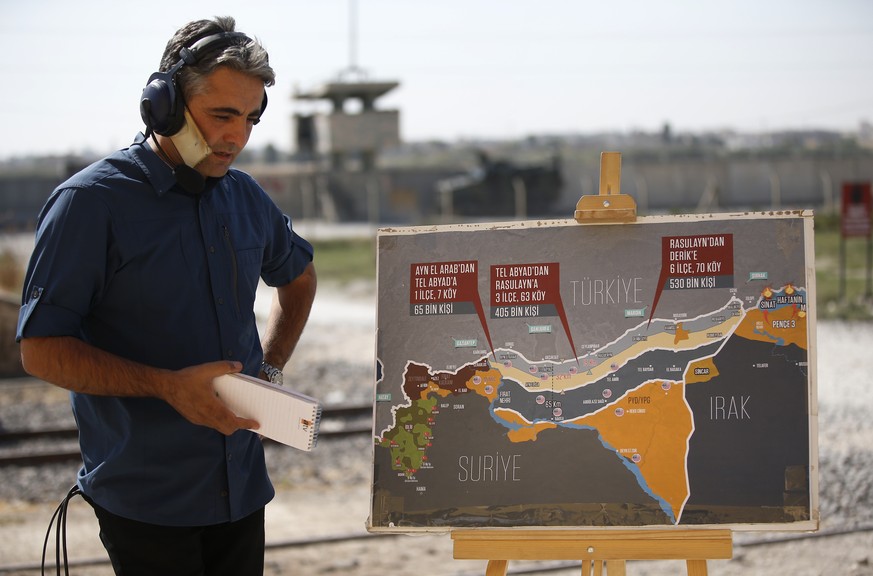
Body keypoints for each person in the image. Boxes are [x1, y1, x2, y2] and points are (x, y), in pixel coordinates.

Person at [16, 16, 316, 576]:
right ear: (164, 106)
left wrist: (269, 372)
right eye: (222, 115)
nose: (237, 137)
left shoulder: (245, 197)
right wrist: (167, 388)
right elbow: (40, 349)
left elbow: (299, 277)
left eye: (250, 119)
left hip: (243, 490)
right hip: (146, 500)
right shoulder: (88, 204)